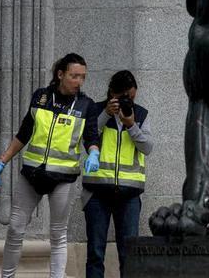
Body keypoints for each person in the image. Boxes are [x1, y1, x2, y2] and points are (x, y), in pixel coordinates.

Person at [0, 53, 102, 278]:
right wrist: (2, 161)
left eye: (82, 77)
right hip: (31, 173)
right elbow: (24, 132)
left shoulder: (86, 105)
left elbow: (91, 137)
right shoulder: (41, 97)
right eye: (74, 76)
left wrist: (94, 153)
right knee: (15, 229)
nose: (79, 81)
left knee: (58, 234)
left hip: (63, 178)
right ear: (61, 74)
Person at [80, 70, 153, 278]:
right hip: (97, 193)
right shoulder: (95, 110)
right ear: (113, 93)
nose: (128, 100)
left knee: (129, 254)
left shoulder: (141, 114)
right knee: (95, 252)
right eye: (124, 96)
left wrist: (131, 125)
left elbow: (147, 147)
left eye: (132, 95)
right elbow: (88, 137)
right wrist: (105, 113)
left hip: (129, 195)